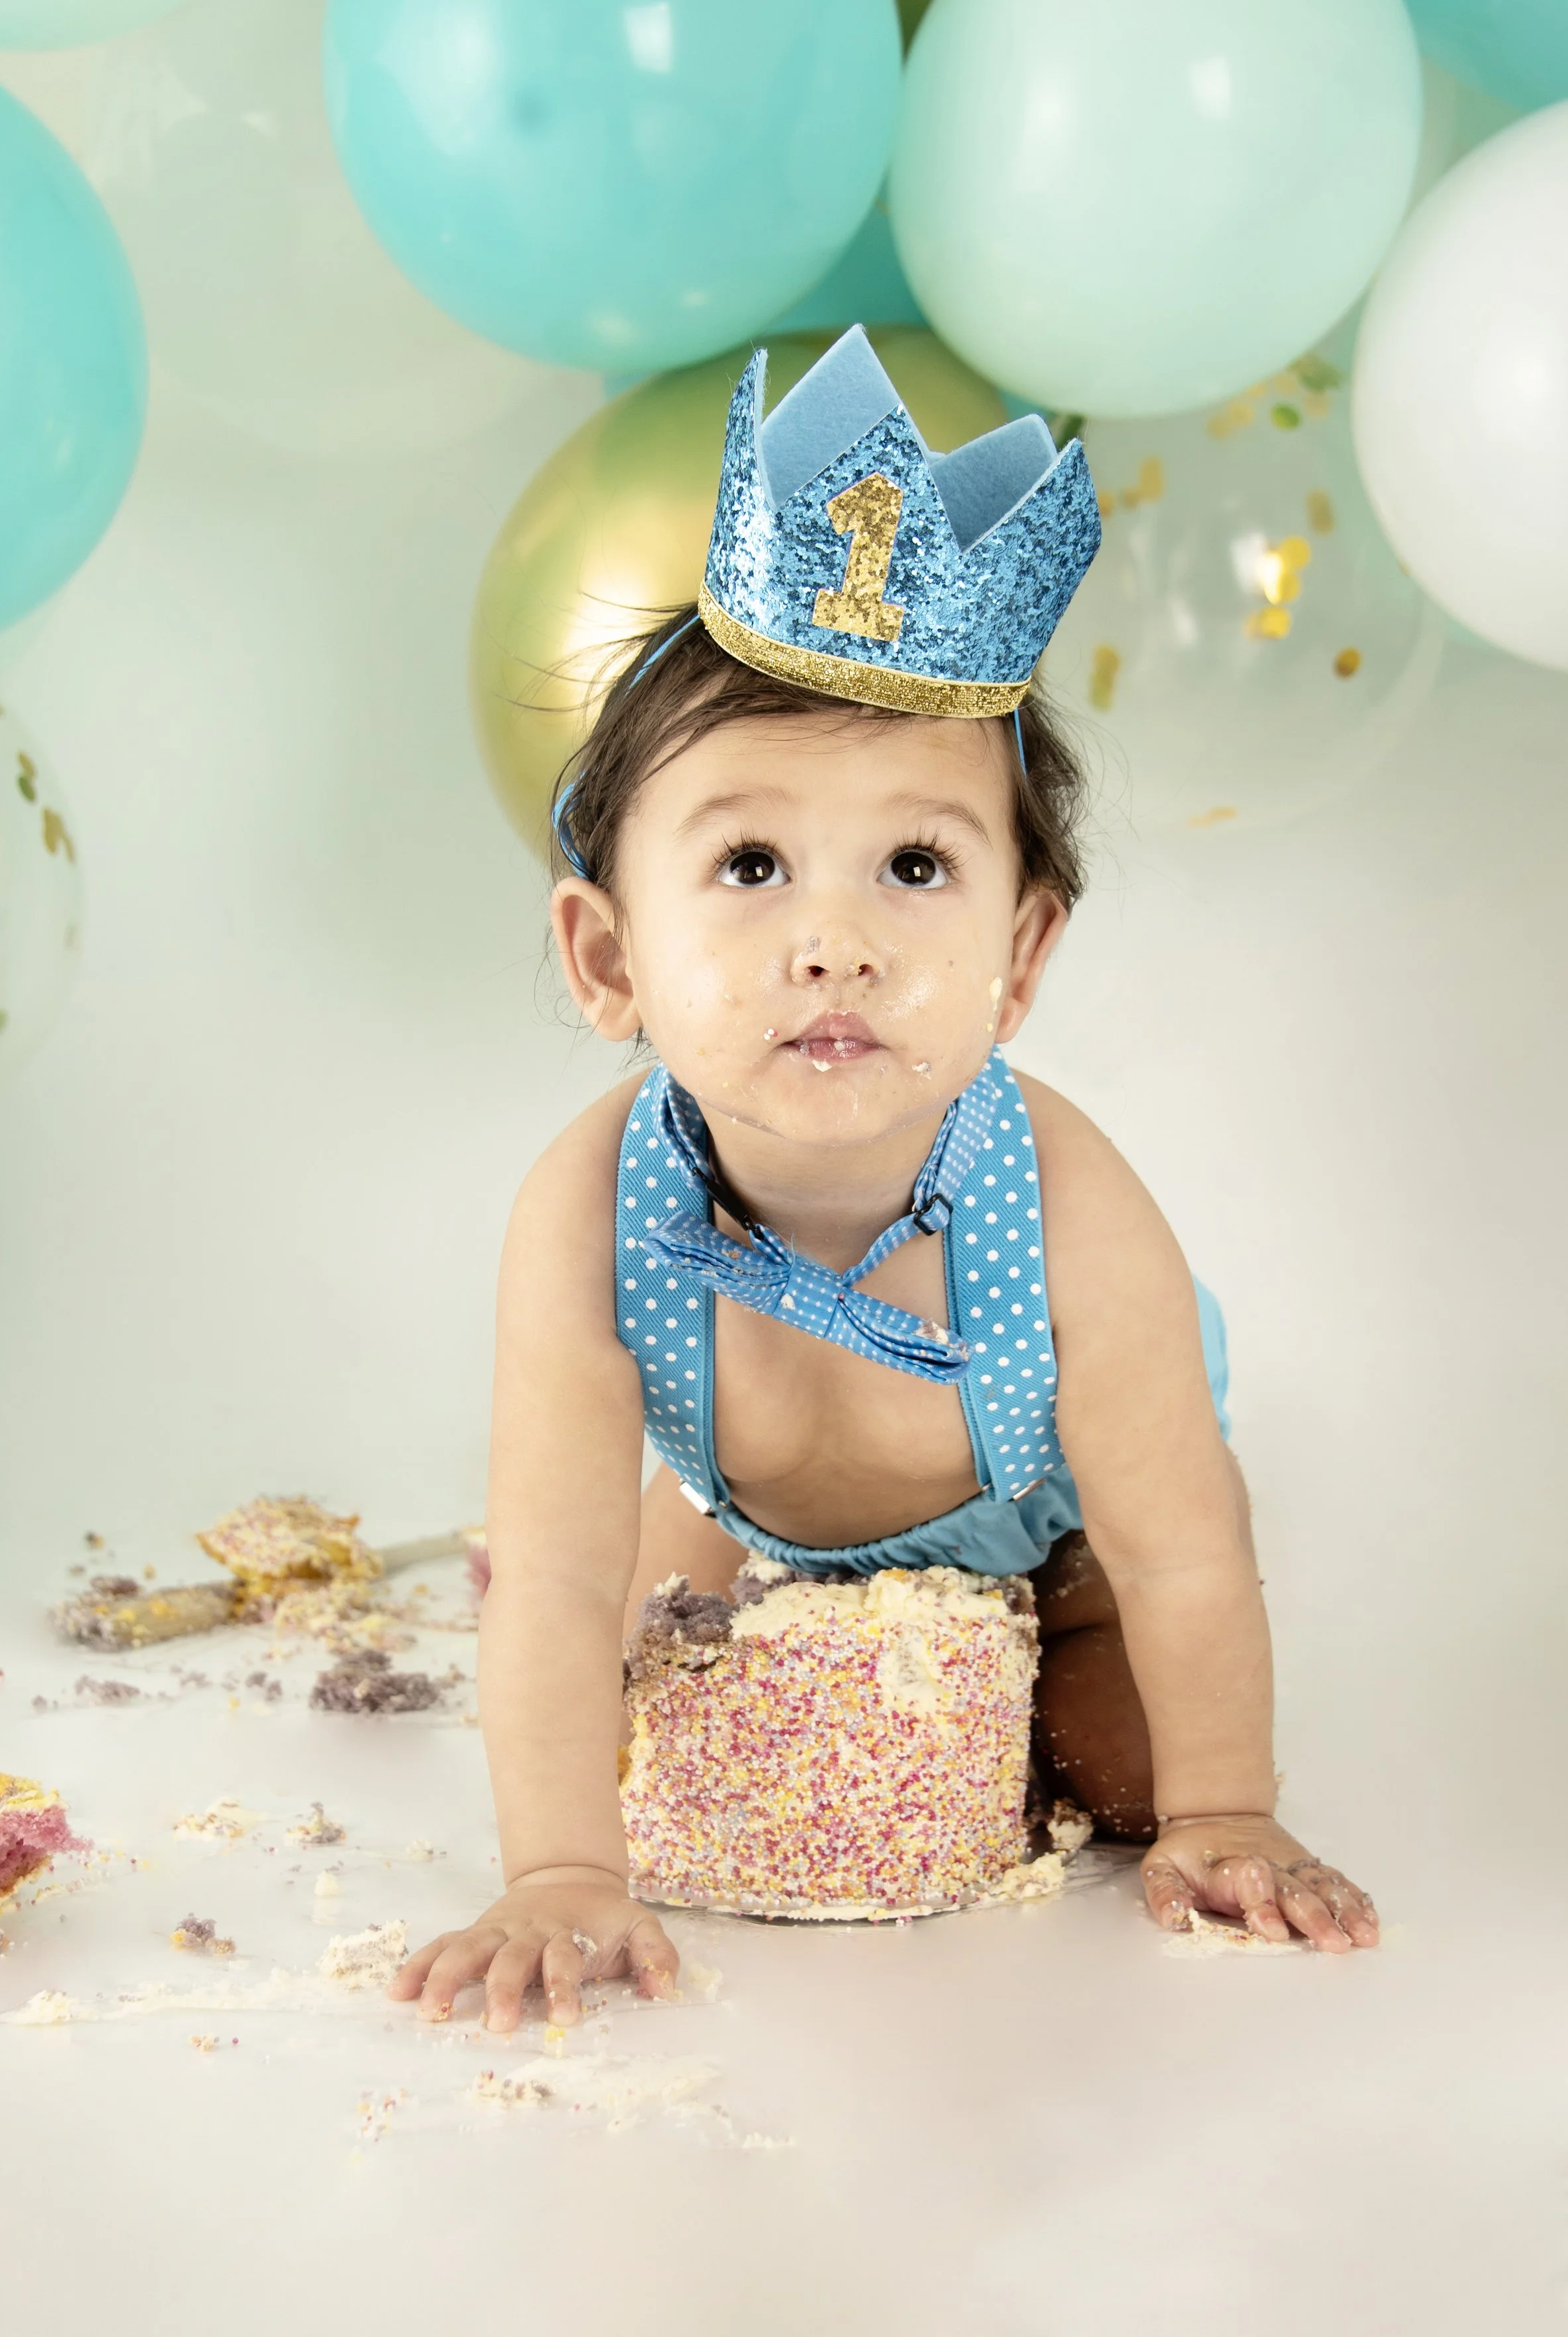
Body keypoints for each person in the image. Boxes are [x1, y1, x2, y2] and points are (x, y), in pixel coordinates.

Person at [391, 329, 1379, 2032]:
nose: (834, 942)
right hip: (755, 1494)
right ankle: (708, 1541)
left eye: (916, 865)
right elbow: (551, 1573)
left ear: (1021, 952)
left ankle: (1048, 1671)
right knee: (615, 1684)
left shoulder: (1068, 1205)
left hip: (1046, 1531)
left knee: (1115, 1775)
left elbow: (1179, 1542)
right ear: (608, 956)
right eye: (752, 863)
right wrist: (559, 1871)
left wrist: (1230, 1809)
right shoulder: (585, 1210)